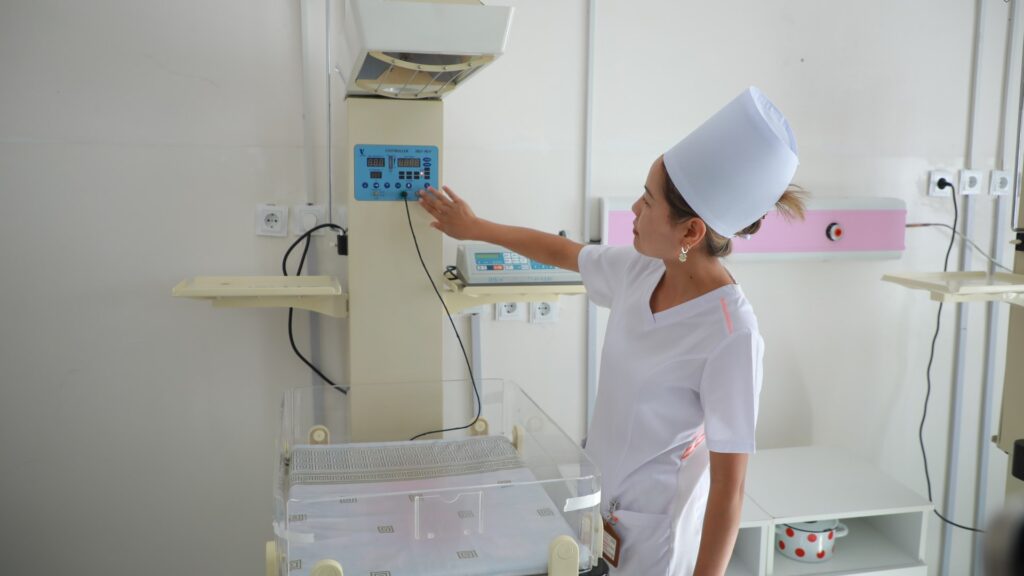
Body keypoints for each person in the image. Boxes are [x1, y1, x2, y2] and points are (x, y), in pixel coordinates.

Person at [418, 86, 804, 575]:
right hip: (595, 513)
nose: (634, 211)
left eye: (648, 202)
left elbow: (730, 490)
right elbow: (564, 253)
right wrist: (474, 228)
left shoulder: (731, 335)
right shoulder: (643, 269)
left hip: (656, 541)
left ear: (690, 232)